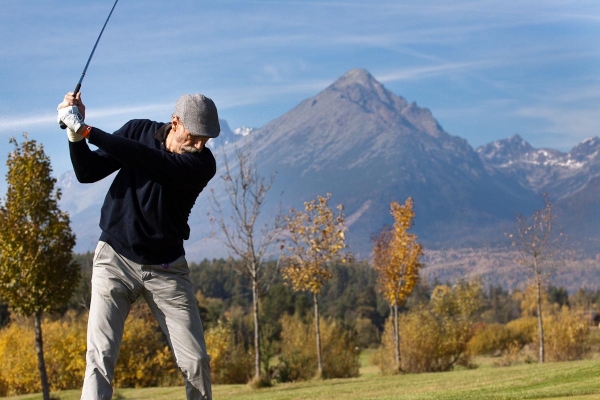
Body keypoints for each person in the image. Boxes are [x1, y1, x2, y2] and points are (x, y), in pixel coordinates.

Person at [57, 92, 219, 400]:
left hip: (167, 271)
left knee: (195, 361)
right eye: (196, 136)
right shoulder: (137, 130)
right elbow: (87, 172)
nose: (200, 145)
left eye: (206, 139)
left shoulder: (201, 165)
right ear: (176, 123)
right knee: (100, 356)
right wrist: (74, 134)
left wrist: (88, 130)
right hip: (114, 261)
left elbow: (152, 162)